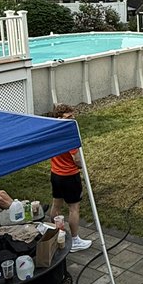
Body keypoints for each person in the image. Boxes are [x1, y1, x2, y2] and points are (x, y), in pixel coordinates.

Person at [49, 104, 92, 251]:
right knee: (74, 208)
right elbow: (77, 160)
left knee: (56, 205)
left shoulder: (51, 132)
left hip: (55, 174)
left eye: (73, 116)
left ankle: (56, 233)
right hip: (69, 176)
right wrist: (81, 165)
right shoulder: (67, 135)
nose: (73, 119)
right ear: (59, 118)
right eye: (69, 117)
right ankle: (74, 241)